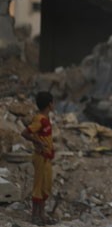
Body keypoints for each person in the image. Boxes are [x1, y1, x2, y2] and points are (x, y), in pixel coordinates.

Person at [21, 91, 56, 226]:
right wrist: (38, 143)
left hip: (46, 157)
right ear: (50, 104)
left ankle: (42, 215)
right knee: (39, 186)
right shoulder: (40, 119)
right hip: (41, 157)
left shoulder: (45, 120)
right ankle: (36, 216)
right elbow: (25, 133)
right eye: (53, 103)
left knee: (45, 186)